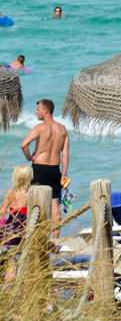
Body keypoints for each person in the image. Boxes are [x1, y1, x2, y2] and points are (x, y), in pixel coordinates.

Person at [20, 98, 69, 232]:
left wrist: (29, 157)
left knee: (35, 204)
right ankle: (56, 240)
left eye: (38, 109)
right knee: (55, 206)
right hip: (55, 170)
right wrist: (64, 174)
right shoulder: (63, 129)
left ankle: (36, 237)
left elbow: (23, 144)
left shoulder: (40, 128)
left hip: (39, 170)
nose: (36, 112)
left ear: (45, 111)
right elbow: (65, 154)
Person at [0, 164, 32, 252]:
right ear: (30, 177)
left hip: (12, 225)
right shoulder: (30, 193)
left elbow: (2, 211)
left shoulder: (10, 192)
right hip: (25, 226)